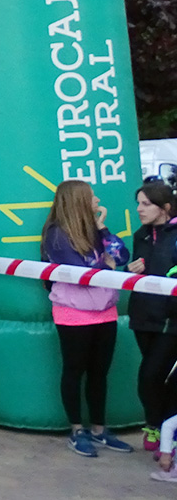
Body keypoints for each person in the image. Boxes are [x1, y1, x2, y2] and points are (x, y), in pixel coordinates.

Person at [40, 180, 134, 457]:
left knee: (99, 372)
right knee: (74, 369)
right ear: (79, 201)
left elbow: (123, 255)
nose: (97, 200)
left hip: (105, 310)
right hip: (73, 312)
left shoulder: (95, 231)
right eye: (92, 196)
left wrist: (103, 228)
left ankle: (99, 429)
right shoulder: (56, 234)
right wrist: (108, 264)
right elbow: (82, 274)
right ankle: (76, 429)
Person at [130, 182, 177, 452]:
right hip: (143, 315)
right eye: (138, 203)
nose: (139, 209)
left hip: (171, 319)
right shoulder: (141, 235)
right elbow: (137, 270)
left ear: (165, 208)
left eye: (146, 204)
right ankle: (160, 427)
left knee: (150, 375)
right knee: (152, 377)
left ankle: (159, 427)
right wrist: (131, 270)